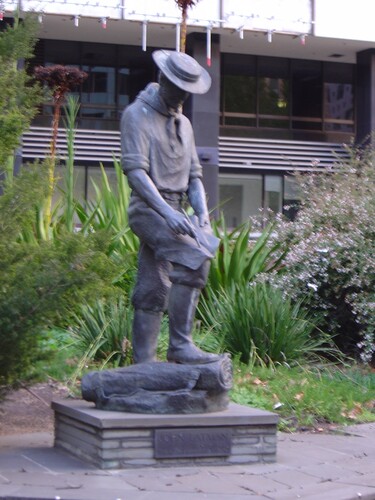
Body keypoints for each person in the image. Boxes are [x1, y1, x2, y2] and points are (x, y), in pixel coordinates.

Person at [121, 50, 221, 365]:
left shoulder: (186, 124)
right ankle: (180, 345)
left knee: (153, 283)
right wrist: (167, 212)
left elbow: (194, 177)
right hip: (149, 208)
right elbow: (135, 173)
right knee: (195, 259)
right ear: (163, 79)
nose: (181, 97)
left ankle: (144, 363)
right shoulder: (136, 115)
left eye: (186, 91)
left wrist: (202, 216)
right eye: (177, 88)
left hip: (178, 210)